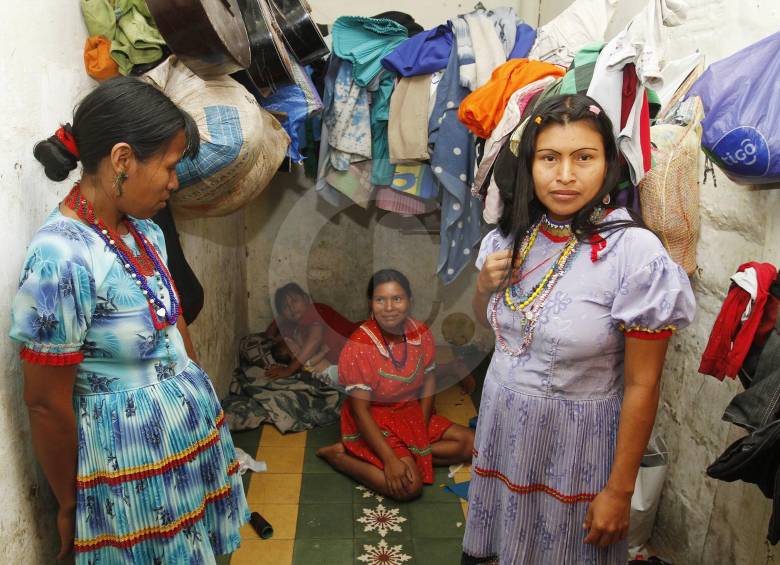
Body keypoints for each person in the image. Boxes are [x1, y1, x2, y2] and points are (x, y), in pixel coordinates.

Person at [10, 77, 249, 564]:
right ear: (122, 160)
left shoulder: (144, 232)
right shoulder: (62, 257)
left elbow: (173, 324)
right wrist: (70, 503)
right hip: (129, 473)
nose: (175, 182)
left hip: (186, 450)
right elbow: (44, 403)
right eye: (169, 166)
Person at [462, 94, 696, 564]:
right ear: (529, 165)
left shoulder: (635, 254)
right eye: (549, 158)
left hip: (576, 450)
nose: (565, 175)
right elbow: (487, 330)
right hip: (504, 434)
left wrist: (618, 490)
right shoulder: (510, 237)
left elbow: (643, 384)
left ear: (608, 164)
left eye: (583, 157)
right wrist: (482, 285)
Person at [317, 269, 475, 501]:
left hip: (409, 411)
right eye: (380, 300)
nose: (389, 307)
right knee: (409, 487)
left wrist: (419, 426)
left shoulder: (420, 334)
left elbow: (429, 380)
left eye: (397, 299)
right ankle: (341, 457)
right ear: (370, 304)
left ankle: (372, 454)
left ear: (409, 302)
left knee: (471, 444)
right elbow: (360, 412)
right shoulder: (360, 346)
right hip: (375, 417)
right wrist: (391, 461)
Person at [263, 282, 358, 380]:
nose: (292, 308)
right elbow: (269, 337)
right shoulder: (294, 327)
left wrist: (289, 369)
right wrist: (279, 318)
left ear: (306, 299)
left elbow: (315, 338)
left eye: (294, 301)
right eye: (286, 307)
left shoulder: (314, 310)